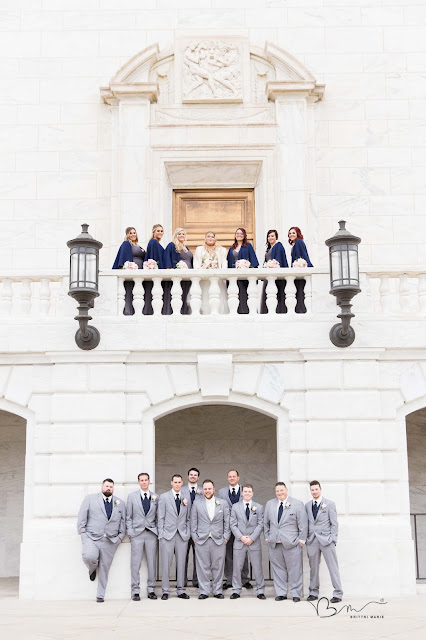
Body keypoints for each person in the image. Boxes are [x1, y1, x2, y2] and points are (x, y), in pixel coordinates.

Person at [77, 478, 126, 602]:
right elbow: (82, 515)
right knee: (89, 557)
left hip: (111, 540)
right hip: (91, 537)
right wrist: (82, 533)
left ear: (113, 489)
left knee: (105, 568)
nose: (109, 488)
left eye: (111, 487)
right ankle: (92, 568)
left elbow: (124, 521)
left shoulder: (120, 503)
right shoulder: (90, 499)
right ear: (102, 487)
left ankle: (100, 595)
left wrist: (120, 537)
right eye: (107, 486)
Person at [263, 481, 308, 602]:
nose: (279, 493)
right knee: (278, 570)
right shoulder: (270, 504)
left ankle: (296, 594)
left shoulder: (297, 504)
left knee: (294, 569)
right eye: (277, 491)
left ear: (286, 490)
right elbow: (265, 523)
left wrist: (301, 540)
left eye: (281, 490)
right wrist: (267, 536)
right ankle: (281, 593)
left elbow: (302, 524)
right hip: (274, 543)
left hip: (292, 543)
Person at [190, 479, 230, 599]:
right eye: (205, 489)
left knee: (218, 566)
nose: (207, 491)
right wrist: (194, 537)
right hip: (201, 539)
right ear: (203, 490)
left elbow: (226, 521)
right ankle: (204, 591)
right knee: (203, 566)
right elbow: (193, 521)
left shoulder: (222, 503)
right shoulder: (197, 503)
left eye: (209, 488)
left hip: (218, 539)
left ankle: (217, 590)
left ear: (213, 489)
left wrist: (226, 537)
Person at [305, 480, 343, 603]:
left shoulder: (329, 504)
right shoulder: (307, 506)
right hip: (312, 540)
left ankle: (338, 593)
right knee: (313, 568)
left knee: (333, 567)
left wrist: (333, 539)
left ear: (320, 490)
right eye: (312, 490)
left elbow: (334, 523)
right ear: (310, 491)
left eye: (316, 489)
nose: (314, 492)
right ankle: (313, 592)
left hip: (327, 540)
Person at [126, 472, 159, 601]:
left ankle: (151, 589)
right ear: (138, 482)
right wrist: (131, 532)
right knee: (135, 563)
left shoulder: (156, 497)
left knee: (152, 562)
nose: (144, 482)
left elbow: (158, 516)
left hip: (151, 533)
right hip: (137, 534)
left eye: (146, 480)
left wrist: (158, 532)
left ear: (149, 481)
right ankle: (135, 591)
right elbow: (128, 517)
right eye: (142, 480)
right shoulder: (132, 497)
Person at [157, 474, 191, 600]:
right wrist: (161, 534)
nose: (177, 484)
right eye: (175, 482)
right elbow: (160, 517)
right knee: (166, 563)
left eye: (179, 482)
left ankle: (181, 590)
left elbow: (188, 518)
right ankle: (165, 590)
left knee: (181, 563)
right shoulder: (164, 497)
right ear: (171, 483)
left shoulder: (186, 498)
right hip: (167, 535)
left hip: (182, 535)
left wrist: (187, 533)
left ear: (182, 483)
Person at [230, 484, 266, 600]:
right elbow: (233, 524)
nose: (247, 493)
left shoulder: (259, 507)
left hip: (253, 542)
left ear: (252, 493)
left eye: (249, 491)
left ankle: (260, 590)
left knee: (257, 567)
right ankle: (236, 590)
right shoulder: (235, 507)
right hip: (239, 542)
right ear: (242, 493)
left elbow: (261, 524)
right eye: (245, 491)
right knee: (237, 567)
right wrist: (241, 537)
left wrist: (252, 538)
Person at [218, 469, 251, 590]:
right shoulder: (221, 492)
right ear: (227, 478)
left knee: (244, 553)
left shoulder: (245, 490)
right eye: (229, 476)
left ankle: (244, 579)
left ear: (238, 478)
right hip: (227, 527)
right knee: (228, 554)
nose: (232, 478)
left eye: (234, 476)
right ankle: (230, 579)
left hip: (242, 528)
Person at [112, 227, 146, 315]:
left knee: (139, 291)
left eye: (134, 232)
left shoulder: (138, 246)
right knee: (129, 289)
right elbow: (123, 256)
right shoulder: (126, 244)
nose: (133, 234)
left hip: (140, 271)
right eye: (130, 233)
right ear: (127, 235)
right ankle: (128, 311)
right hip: (132, 270)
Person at [226, 228, 259, 314]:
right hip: (235, 276)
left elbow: (253, 260)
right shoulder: (232, 248)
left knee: (245, 294)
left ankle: (247, 312)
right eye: (237, 233)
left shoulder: (248, 246)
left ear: (244, 235)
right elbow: (229, 262)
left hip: (245, 275)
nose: (239, 235)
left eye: (241, 233)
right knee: (236, 295)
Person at [164, 228, 193, 315]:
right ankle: (174, 312)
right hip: (178, 274)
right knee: (177, 294)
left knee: (185, 293)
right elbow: (167, 257)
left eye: (183, 234)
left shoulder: (186, 247)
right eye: (179, 234)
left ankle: (184, 312)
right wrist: (169, 269)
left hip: (188, 275)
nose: (181, 235)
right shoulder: (172, 245)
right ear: (176, 235)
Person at [181, 467, 202, 588]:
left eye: (195, 475)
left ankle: (197, 581)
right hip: (183, 528)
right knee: (183, 556)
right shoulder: (181, 490)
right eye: (191, 475)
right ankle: (182, 581)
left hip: (199, 529)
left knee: (198, 557)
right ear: (188, 477)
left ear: (198, 477)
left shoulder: (202, 491)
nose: (193, 476)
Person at [260, 229, 288, 314]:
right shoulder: (268, 249)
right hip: (268, 274)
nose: (270, 238)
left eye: (272, 236)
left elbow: (279, 261)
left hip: (275, 275)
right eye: (269, 236)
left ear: (276, 237)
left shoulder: (278, 245)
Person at [288, 226, 313, 313]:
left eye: (293, 233)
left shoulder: (298, 242)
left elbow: (301, 257)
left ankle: (301, 310)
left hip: (300, 270)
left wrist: (300, 266)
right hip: (297, 270)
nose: (291, 235)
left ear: (298, 234)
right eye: (290, 233)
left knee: (300, 291)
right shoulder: (295, 244)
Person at [143, 224, 165, 315]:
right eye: (158, 231)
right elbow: (152, 258)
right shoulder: (153, 242)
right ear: (153, 232)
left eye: (161, 231)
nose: (160, 232)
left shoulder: (156, 243)